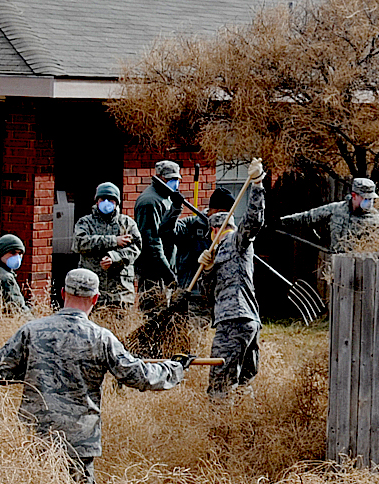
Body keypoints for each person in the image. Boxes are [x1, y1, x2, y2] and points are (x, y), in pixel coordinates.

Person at [0, 266, 188, 484]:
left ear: (63, 293)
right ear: (96, 298)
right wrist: (175, 368)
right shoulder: (101, 338)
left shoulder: (31, 331)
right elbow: (138, 375)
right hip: (79, 442)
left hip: (35, 437)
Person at [203, 164, 265, 395]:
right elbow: (211, 296)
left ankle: (221, 429)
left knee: (220, 385)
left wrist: (257, 185)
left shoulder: (237, 242)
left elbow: (253, 222)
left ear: (217, 228)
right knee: (243, 383)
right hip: (246, 321)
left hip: (233, 322)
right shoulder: (217, 251)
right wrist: (208, 270)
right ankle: (244, 427)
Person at [133, 161, 193, 314]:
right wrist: (167, 273)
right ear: (158, 177)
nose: (174, 183)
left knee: (165, 312)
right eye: (170, 179)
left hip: (166, 264)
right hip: (153, 270)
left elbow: (169, 231)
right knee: (153, 314)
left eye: (177, 179)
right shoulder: (150, 202)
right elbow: (151, 242)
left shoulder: (166, 198)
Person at [73, 181, 141, 314]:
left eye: (110, 199)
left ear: (116, 202)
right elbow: (79, 243)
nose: (106, 202)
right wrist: (113, 241)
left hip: (120, 292)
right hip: (91, 289)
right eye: (102, 199)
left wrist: (114, 258)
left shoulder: (127, 223)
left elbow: (135, 247)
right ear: (96, 201)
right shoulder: (85, 222)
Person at [282, 177, 379, 255]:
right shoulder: (337, 210)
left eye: (371, 199)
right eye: (365, 198)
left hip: (358, 270)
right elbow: (309, 216)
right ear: (354, 196)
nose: (369, 202)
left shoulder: (376, 221)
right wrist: (281, 221)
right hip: (334, 266)